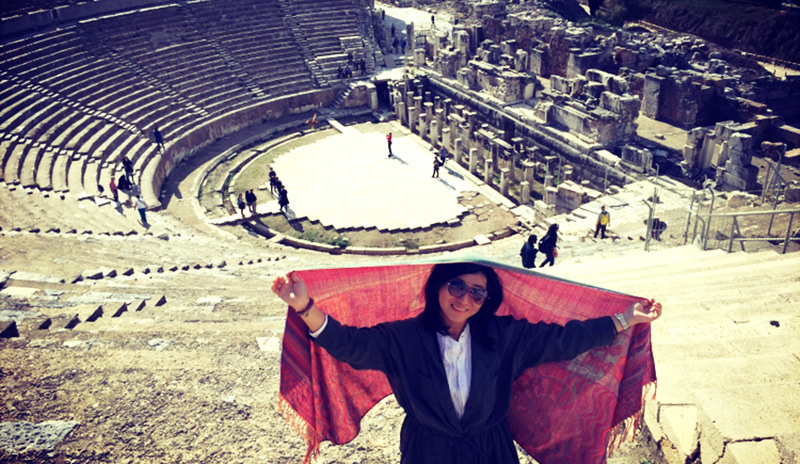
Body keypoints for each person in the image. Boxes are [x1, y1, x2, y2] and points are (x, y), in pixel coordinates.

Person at [271, 262, 663, 464]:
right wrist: (304, 306)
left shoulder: (505, 335)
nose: (465, 299)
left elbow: (564, 340)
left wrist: (625, 319)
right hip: (428, 450)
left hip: (490, 449)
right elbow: (349, 345)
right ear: (439, 286)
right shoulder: (403, 338)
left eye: (477, 293)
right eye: (457, 286)